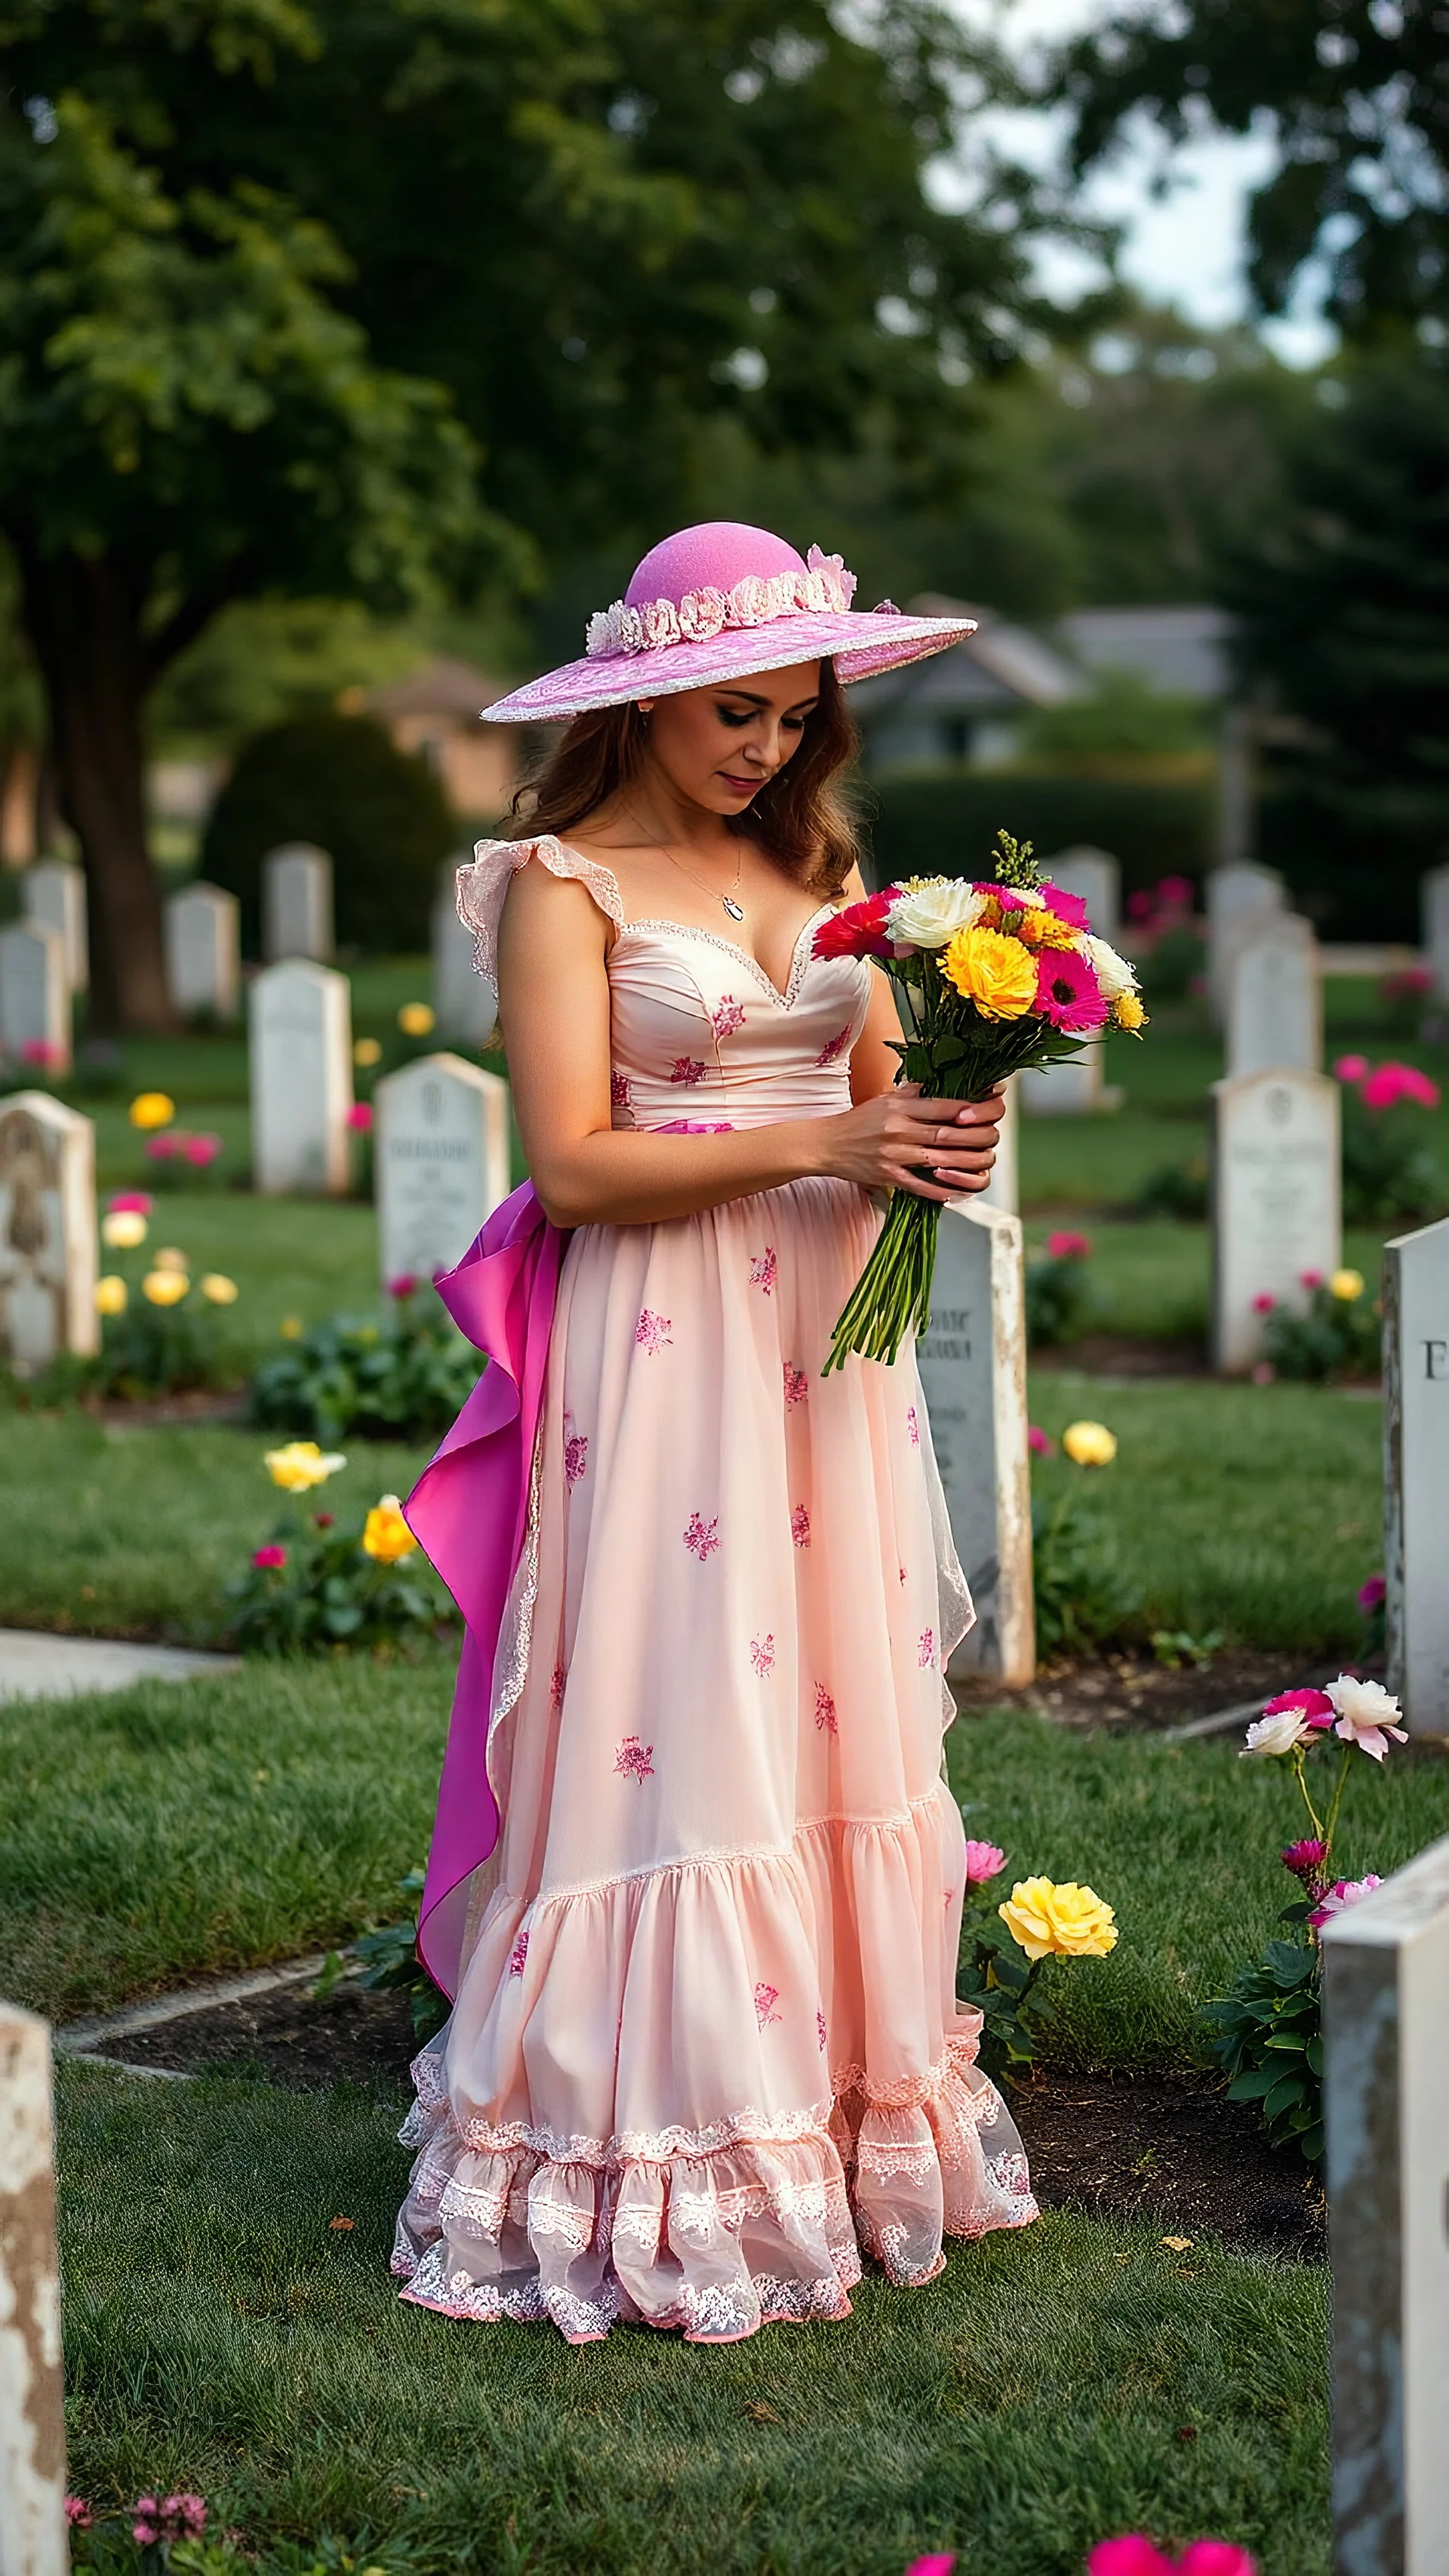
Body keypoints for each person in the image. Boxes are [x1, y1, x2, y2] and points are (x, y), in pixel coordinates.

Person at [392, 522, 1036, 2346]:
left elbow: (864, 1095)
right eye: (734, 713)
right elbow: (577, 1166)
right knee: (686, 1703)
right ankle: (641, 2126)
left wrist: (941, 1112)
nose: (767, 745)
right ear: (651, 699)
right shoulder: (560, 882)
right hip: (666, 1326)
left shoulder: (820, 861)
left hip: (824, 1330)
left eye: (794, 713)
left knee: (829, 1691)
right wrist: (825, 1148)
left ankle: (837, 2104)